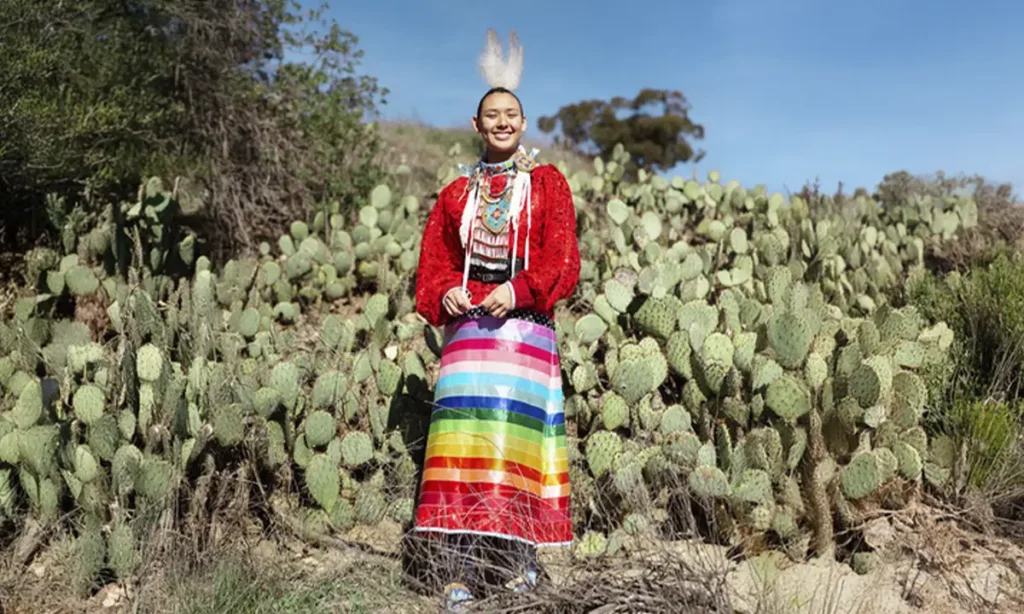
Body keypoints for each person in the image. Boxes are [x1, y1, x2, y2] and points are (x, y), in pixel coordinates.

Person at [411, 29, 580, 612]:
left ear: (524, 123)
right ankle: (457, 572)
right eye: (492, 115)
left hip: (524, 334)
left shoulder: (548, 185)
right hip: (468, 340)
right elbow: (434, 264)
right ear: (476, 125)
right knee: (463, 448)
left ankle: (519, 569)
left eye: (511, 114)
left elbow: (562, 260)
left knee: (515, 448)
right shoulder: (456, 194)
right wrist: (447, 293)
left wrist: (518, 289)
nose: (502, 122)